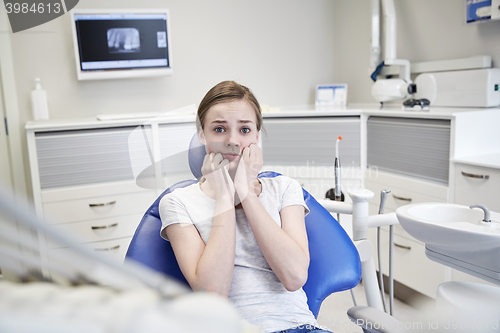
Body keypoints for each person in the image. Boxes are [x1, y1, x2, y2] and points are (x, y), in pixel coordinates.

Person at [159, 81, 333, 333]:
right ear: (201, 135)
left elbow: (294, 277)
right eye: (219, 129)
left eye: (244, 129)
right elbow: (213, 294)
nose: (232, 141)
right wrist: (224, 198)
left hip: (302, 327)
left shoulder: (284, 188)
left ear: (256, 136)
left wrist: (246, 192)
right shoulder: (177, 202)